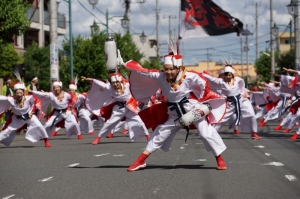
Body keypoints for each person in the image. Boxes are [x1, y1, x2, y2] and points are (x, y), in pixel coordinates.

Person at [123, 48, 227, 171]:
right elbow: (143, 71)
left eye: (171, 69)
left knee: (205, 133)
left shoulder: (189, 76)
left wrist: (202, 101)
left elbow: (204, 83)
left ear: (178, 68)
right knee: (160, 133)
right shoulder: (160, 76)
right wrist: (125, 65)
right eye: (166, 68)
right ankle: (140, 161)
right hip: (174, 113)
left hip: (192, 109)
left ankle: (219, 159)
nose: (168, 71)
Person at [82, 73, 150, 145]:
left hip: (130, 107)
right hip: (119, 109)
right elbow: (102, 85)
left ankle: (148, 136)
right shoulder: (110, 88)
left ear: (121, 82)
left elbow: (138, 86)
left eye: (117, 82)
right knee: (109, 123)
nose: (115, 84)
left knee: (139, 121)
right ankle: (98, 138)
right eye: (113, 83)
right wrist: (92, 80)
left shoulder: (128, 86)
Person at [202, 65, 261, 140]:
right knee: (221, 120)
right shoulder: (221, 81)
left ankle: (254, 133)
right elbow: (211, 79)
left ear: (232, 75)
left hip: (241, 101)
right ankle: (209, 133)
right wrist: (202, 74)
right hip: (230, 103)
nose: (228, 77)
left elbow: (242, 86)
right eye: (226, 75)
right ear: (224, 76)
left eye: (230, 75)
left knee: (252, 115)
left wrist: (243, 93)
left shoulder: (237, 79)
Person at [0, 80, 51, 147]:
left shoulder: (28, 98)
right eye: (17, 93)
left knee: (40, 126)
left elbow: (35, 103)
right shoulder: (11, 99)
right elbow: (1, 98)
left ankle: (46, 141)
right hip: (17, 119)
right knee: (7, 131)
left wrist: (31, 112)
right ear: (15, 93)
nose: (19, 95)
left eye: (21, 93)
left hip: (29, 117)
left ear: (23, 93)